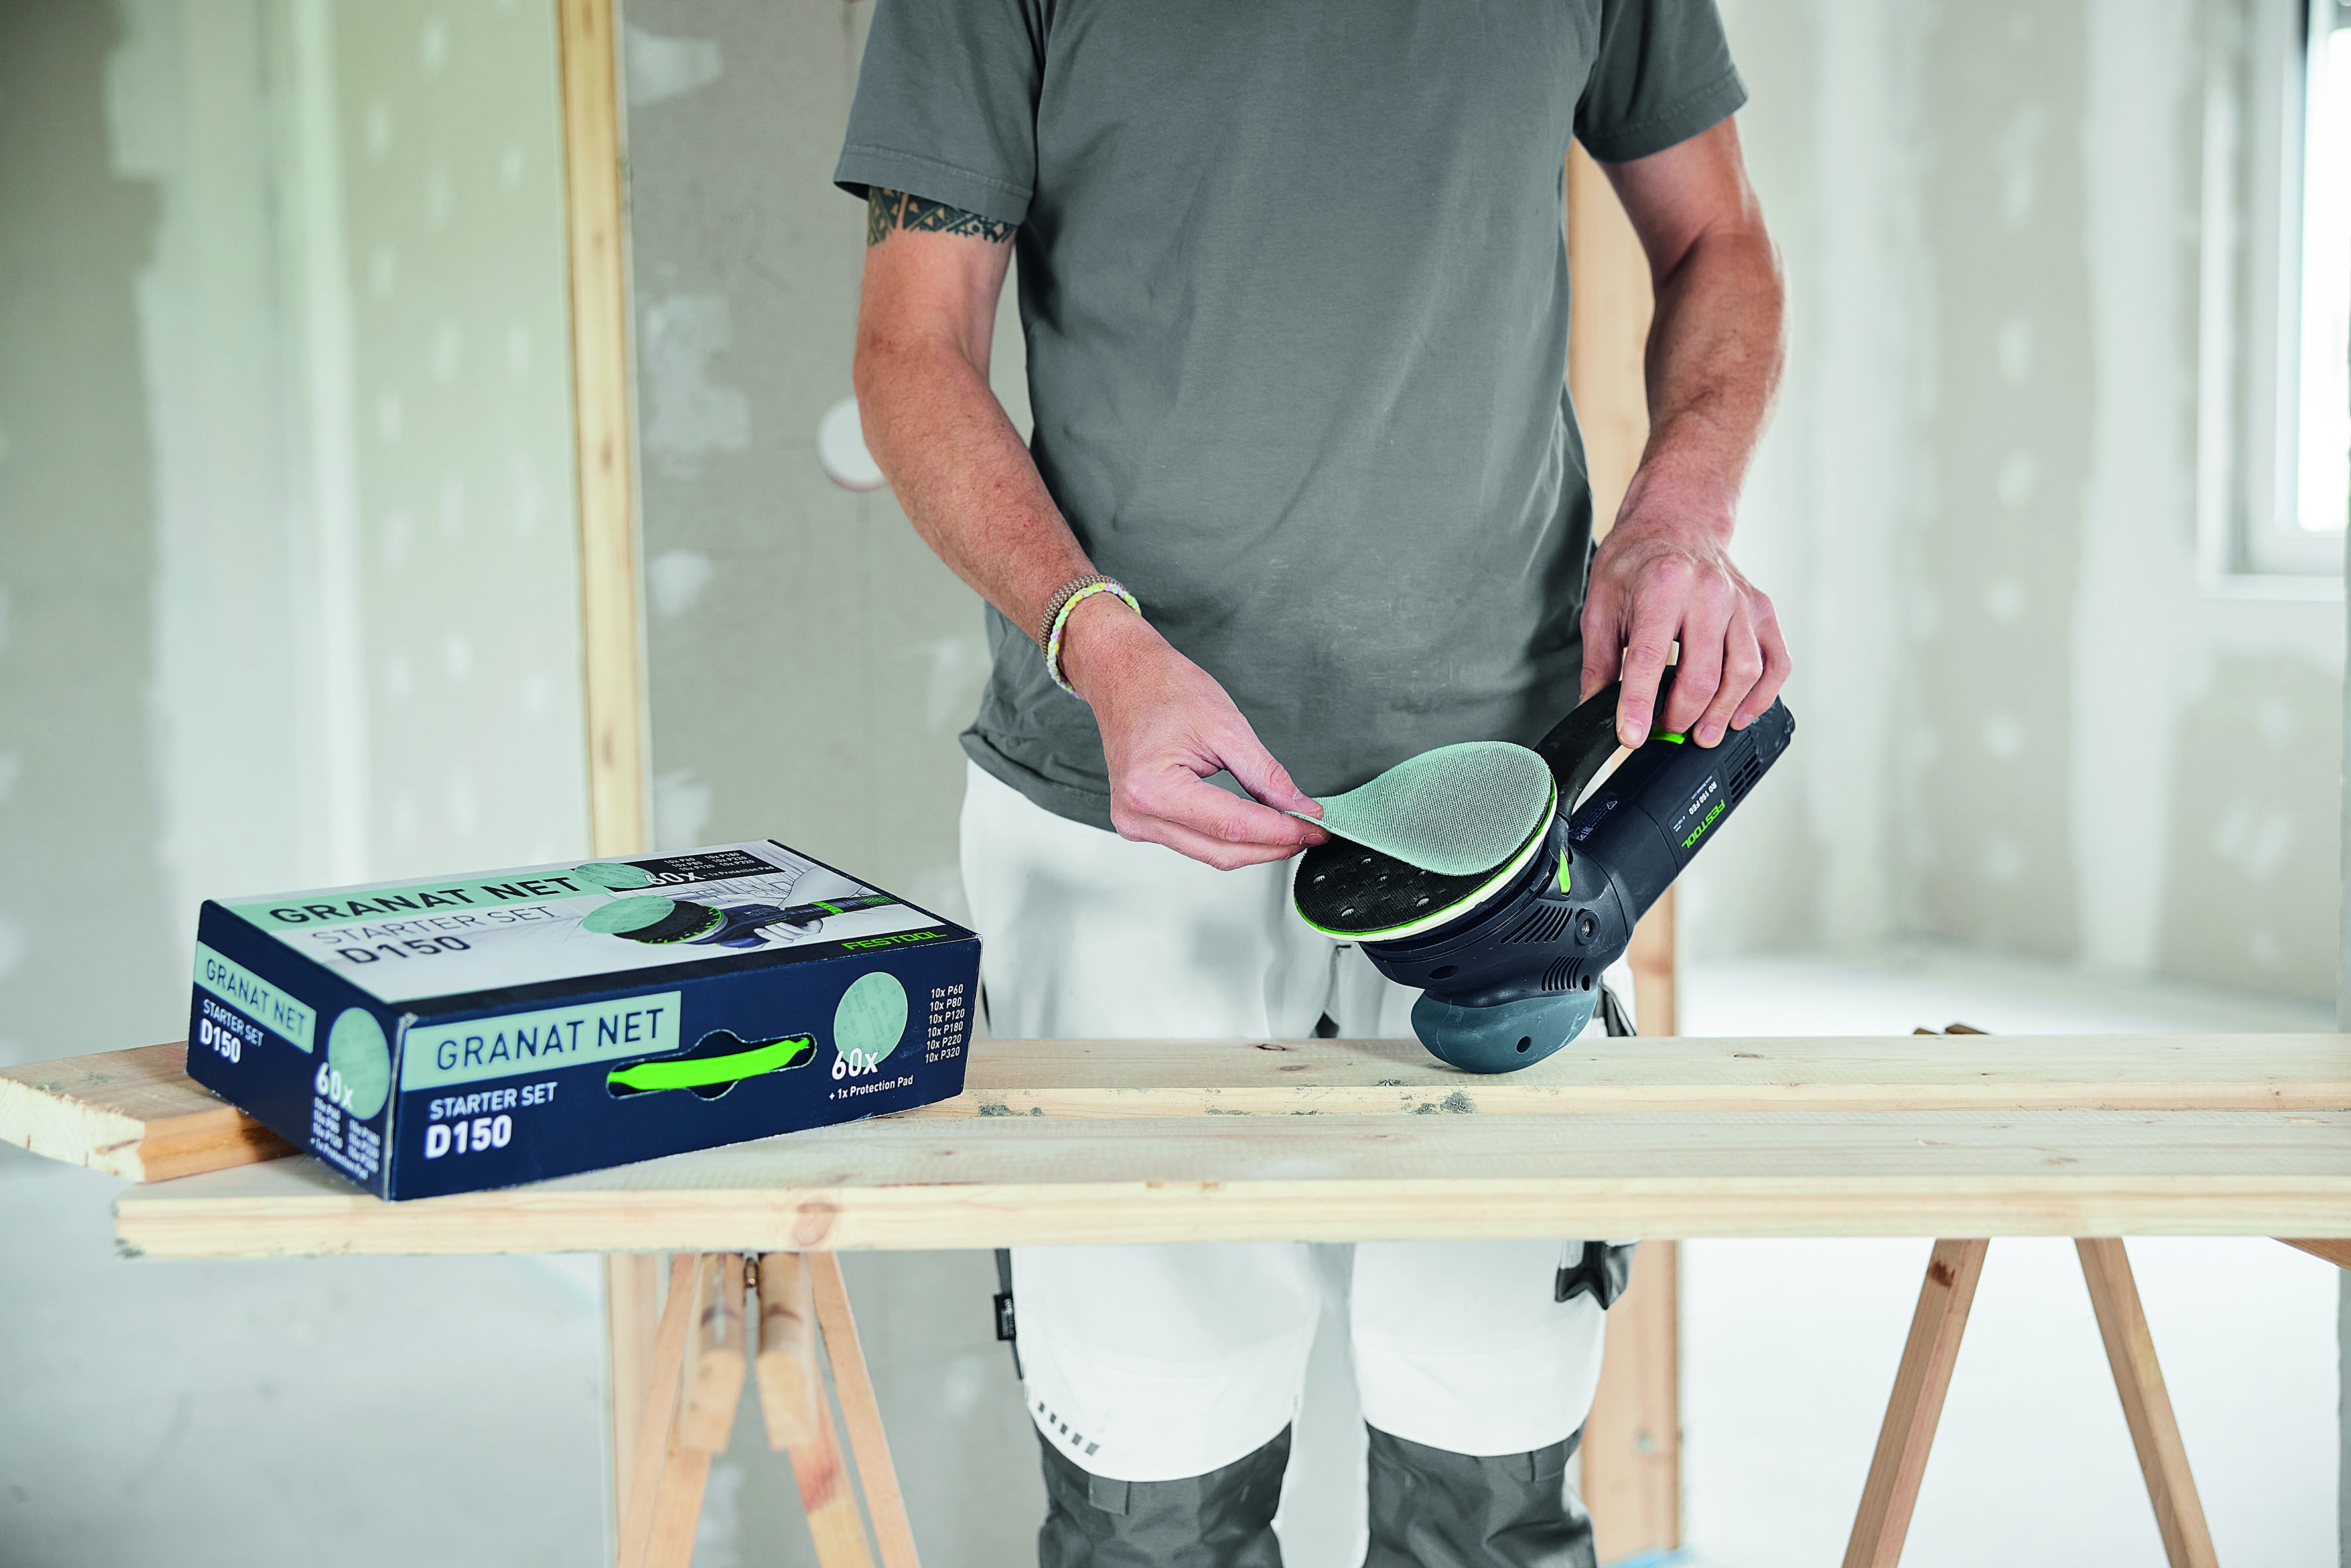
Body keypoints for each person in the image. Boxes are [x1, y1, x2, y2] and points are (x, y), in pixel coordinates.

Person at [837, 4, 1788, 1563]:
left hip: (1504, 817)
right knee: (1150, 1514)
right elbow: (909, 349)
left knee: (1491, 1497)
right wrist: (1096, 641)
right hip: (1126, 816)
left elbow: (1717, 238)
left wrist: (1678, 512)